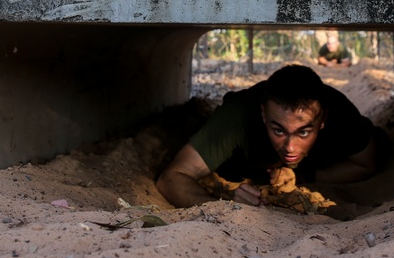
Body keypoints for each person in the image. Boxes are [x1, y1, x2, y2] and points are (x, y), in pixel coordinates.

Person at [156, 64, 380, 208]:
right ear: (263, 114)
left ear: (322, 121)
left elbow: (366, 165)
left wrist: (303, 175)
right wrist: (222, 207)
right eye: (278, 130)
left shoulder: (342, 115)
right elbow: (172, 177)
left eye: (303, 132)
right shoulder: (237, 116)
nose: (290, 147)